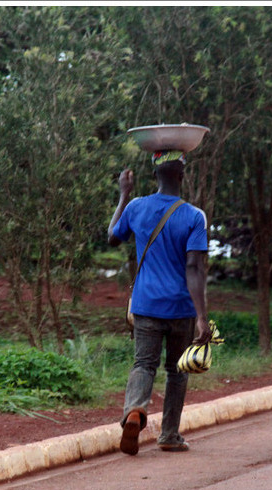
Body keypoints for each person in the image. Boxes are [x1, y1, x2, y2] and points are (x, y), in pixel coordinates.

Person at [107, 149, 211, 455]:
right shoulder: (194, 216)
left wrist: (123, 195)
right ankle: (169, 434)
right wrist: (202, 317)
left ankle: (134, 412)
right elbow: (194, 268)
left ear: (155, 176)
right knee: (177, 371)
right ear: (181, 175)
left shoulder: (137, 207)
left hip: (146, 305)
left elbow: (113, 237)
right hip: (181, 307)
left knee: (144, 364)